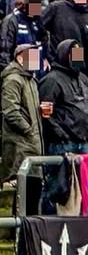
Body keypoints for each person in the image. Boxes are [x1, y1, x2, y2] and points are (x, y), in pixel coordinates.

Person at [38, 39, 88, 156]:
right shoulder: (52, 80)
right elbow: (45, 114)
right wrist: (61, 135)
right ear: (64, 55)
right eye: (73, 54)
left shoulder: (84, 79)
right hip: (61, 144)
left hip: (84, 141)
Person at [0, 44, 43, 182]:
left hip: (32, 144)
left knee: (34, 188)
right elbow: (11, 111)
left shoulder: (31, 80)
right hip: (20, 147)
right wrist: (29, 130)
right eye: (32, 56)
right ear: (20, 58)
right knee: (24, 189)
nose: (36, 60)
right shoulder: (13, 79)